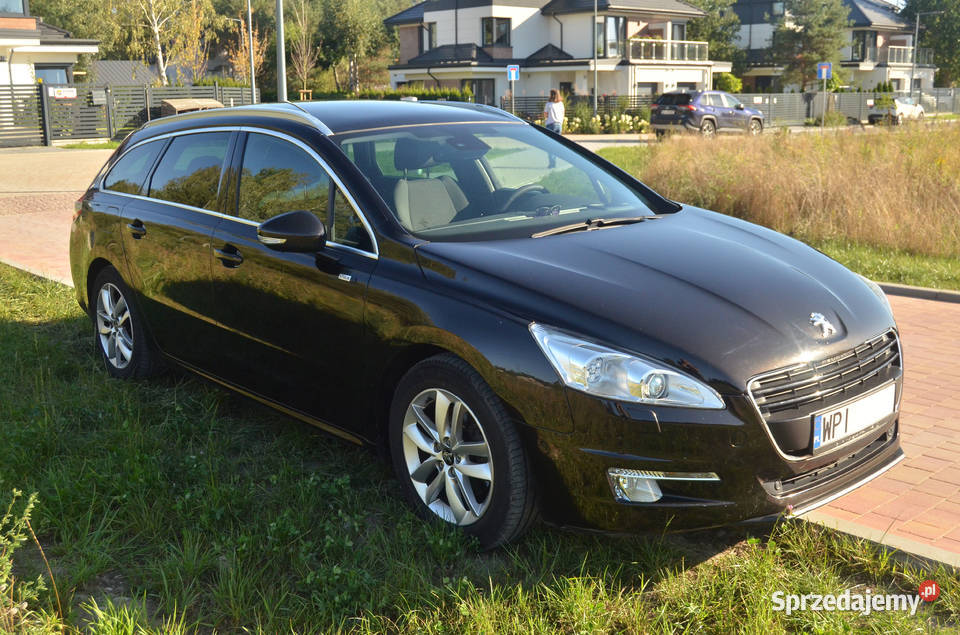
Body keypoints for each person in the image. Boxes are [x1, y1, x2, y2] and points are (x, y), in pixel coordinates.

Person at [543, 89, 564, 167]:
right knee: (556, 144)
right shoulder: (561, 104)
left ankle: (552, 163)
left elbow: (545, 115)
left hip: (550, 125)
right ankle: (556, 160)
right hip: (559, 125)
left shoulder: (548, 104)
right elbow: (563, 114)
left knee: (550, 145)